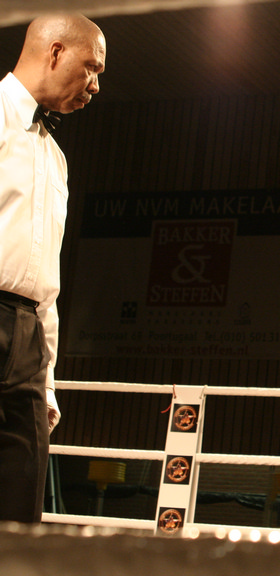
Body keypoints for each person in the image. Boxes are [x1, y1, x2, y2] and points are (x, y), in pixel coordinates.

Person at [0, 13, 106, 523]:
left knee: (21, 501)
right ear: (56, 51)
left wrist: (46, 382)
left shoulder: (55, 157)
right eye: (91, 67)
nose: (95, 85)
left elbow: (45, 280)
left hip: (28, 341)